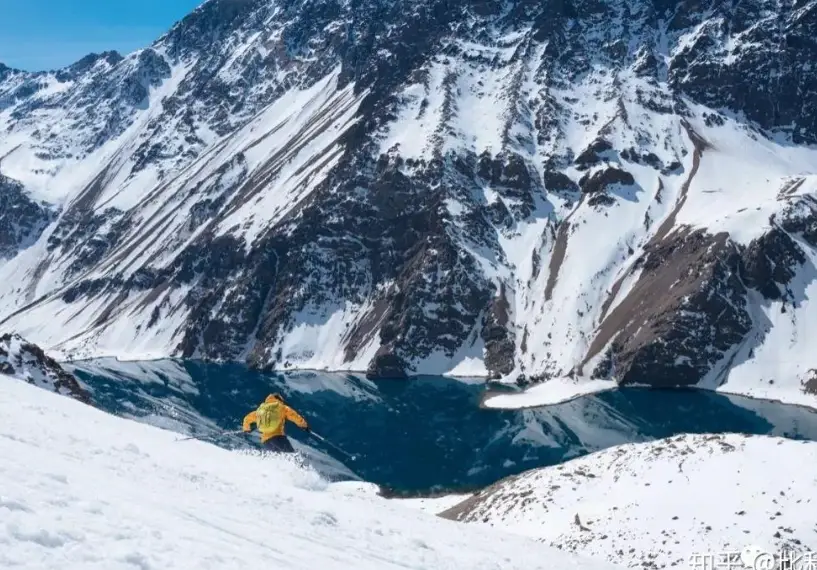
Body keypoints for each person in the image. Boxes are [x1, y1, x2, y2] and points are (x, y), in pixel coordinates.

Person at [242, 393, 310, 453]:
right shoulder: (282, 407)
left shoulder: (260, 410)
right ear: (279, 399)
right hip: (278, 437)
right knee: (291, 456)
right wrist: (304, 425)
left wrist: (247, 429)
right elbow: (294, 416)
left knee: (279, 460)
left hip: (266, 442)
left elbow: (247, 418)